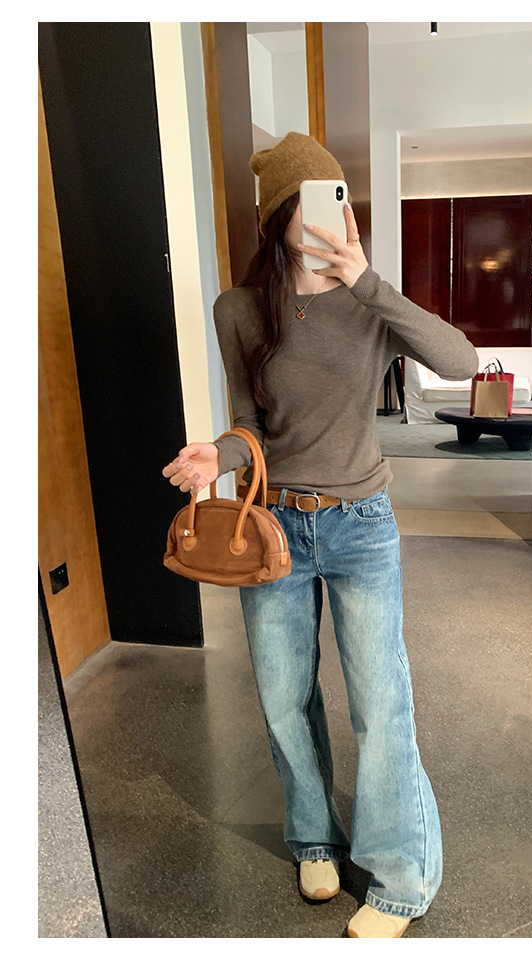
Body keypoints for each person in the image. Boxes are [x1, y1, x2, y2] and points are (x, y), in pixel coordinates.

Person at [162, 132, 479, 938]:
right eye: (310, 204)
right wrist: (219, 454)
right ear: (278, 218)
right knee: (282, 698)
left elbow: (461, 361)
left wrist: (367, 281)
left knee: (381, 703)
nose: (328, 218)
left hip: (362, 525)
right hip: (274, 527)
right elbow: (250, 424)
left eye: (337, 201)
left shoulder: (370, 304)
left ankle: (401, 879)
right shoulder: (239, 310)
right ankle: (313, 838)